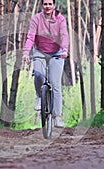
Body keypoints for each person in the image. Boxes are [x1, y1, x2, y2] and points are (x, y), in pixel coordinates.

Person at [23, 0, 69, 128]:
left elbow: (64, 35)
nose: (47, 6)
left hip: (57, 53)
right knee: (38, 74)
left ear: (54, 5)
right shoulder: (36, 19)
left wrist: (65, 50)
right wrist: (26, 52)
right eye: (45, 4)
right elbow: (31, 36)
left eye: (50, 4)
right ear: (42, 5)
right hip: (40, 52)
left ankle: (57, 116)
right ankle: (39, 96)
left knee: (55, 84)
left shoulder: (60, 19)